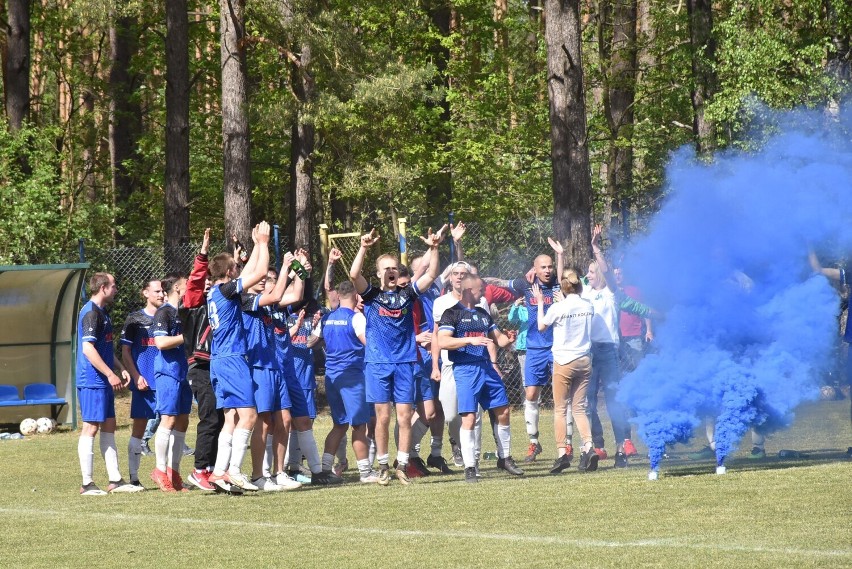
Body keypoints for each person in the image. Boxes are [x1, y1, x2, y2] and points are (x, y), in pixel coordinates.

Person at [349, 225, 444, 485]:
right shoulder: (371, 296)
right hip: (378, 364)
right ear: (379, 274)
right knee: (382, 417)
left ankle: (402, 464)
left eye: (394, 268)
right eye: (386, 268)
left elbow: (432, 273)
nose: (391, 271)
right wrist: (364, 248)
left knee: (404, 416)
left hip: (405, 363)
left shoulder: (407, 294)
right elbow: (354, 273)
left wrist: (434, 248)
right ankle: (381, 466)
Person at [438, 274, 523, 483]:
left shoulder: (483, 313)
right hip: (465, 369)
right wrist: (469, 340)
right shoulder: (451, 314)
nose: (484, 293)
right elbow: (442, 341)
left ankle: (505, 458)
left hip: (487, 368)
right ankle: (469, 467)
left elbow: (499, 339)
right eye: (480, 290)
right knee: (468, 417)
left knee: (503, 410)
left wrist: (508, 339)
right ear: (468, 291)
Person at [206, 222, 272, 492]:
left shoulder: (215, 292)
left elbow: (249, 272)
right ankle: (234, 471)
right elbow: (258, 273)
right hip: (232, 359)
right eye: (235, 267)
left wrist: (256, 245)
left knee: (232, 417)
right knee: (249, 415)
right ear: (230, 272)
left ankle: (219, 472)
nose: (238, 271)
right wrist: (265, 243)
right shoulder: (225, 290)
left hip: (219, 359)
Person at [585, 225, 653, 467]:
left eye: (592, 272)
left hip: (608, 352)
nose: (589, 275)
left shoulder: (613, 293)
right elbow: (565, 283)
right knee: (588, 402)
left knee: (614, 400)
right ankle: (597, 446)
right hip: (588, 352)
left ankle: (622, 447)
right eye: (588, 273)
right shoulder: (585, 293)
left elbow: (605, 271)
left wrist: (596, 249)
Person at [491, 240, 564, 462]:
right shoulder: (525, 285)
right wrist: (475, 278)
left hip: (557, 347)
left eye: (550, 266)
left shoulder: (558, 287)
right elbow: (499, 282)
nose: (547, 270)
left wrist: (560, 255)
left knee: (563, 397)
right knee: (531, 395)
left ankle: (567, 445)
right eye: (543, 267)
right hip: (534, 349)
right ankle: (534, 442)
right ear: (535, 268)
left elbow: (561, 276)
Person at [76, 272, 143, 495]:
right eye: (113, 286)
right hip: (92, 380)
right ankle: (87, 484)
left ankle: (115, 480)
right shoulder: (91, 313)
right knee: (91, 427)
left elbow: (103, 348)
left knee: (110, 425)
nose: (116, 290)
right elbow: (88, 349)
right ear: (103, 288)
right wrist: (109, 374)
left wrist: (120, 368)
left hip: (102, 379)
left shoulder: (103, 313)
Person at [312, 280, 379, 482]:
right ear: (356, 296)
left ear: (339, 297)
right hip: (352, 376)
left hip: (332, 377)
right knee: (359, 425)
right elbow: (368, 343)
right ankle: (365, 472)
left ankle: (324, 470)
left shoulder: (327, 318)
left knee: (339, 425)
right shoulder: (356, 318)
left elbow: (311, 342)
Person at [533, 271, 599, 473]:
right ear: (579, 287)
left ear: (562, 289)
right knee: (579, 408)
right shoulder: (588, 305)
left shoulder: (557, 307)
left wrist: (540, 303)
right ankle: (589, 447)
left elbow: (541, 326)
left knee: (561, 409)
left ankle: (562, 453)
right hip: (584, 360)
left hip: (564, 361)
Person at [181, 228, 224, 491]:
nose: (207, 283)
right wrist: (203, 253)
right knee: (209, 418)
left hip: (218, 365)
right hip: (200, 366)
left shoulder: (216, 304)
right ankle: (200, 470)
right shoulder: (193, 304)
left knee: (220, 417)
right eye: (203, 280)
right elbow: (196, 282)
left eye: (210, 279)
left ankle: (215, 468)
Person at [120, 279, 165, 487]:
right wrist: (136, 376)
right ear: (145, 293)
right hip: (144, 382)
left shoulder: (168, 315)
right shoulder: (134, 319)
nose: (161, 294)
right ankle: (134, 477)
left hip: (166, 380)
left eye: (163, 290)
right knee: (139, 427)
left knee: (169, 426)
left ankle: (167, 474)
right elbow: (125, 351)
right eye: (156, 291)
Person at [150, 272, 191, 492]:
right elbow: (161, 342)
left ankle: (174, 473)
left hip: (183, 372)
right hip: (167, 371)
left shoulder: (184, 312)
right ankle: (160, 471)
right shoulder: (164, 312)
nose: (189, 286)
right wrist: (187, 337)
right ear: (177, 287)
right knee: (168, 419)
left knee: (183, 421)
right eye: (186, 284)